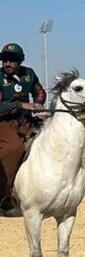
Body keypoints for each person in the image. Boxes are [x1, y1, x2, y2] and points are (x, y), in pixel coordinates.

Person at [0, 43, 46, 210]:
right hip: (4, 123)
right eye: (5, 60)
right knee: (13, 148)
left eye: (12, 61)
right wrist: (22, 106)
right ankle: (4, 195)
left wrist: (38, 103)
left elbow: (39, 91)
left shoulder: (29, 74)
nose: (7, 64)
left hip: (27, 121)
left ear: (19, 62)